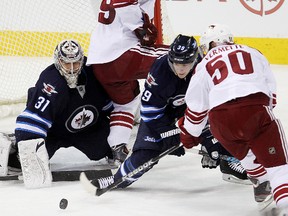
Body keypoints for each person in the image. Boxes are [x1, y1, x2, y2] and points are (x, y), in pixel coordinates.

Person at [87, 34, 244, 190]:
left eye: (186, 63)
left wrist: (209, 137)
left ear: (195, 59)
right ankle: (117, 179)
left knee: (223, 128)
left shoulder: (204, 68)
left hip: (193, 109)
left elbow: (212, 105)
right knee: (146, 153)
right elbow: (149, 111)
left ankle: (235, 163)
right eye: (176, 63)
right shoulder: (160, 70)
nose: (181, 68)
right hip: (161, 114)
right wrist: (168, 135)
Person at [177, 24, 288, 212]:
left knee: (247, 153)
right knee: (278, 167)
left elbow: (196, 109)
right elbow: (271, 94)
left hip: (221, 121)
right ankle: (285, 205)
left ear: (206, 47)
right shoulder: (253, 51)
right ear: (230, 40)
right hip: (255, 108)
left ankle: (261, 184)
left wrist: (189, 135)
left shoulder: (203, 65)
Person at [0, 39, 115, 188]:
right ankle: (14, 144)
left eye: (76, 63)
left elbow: (108, 104)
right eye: (67, 64)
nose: (72, 69)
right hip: (53, 132)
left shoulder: (94, 73)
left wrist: (118, 135)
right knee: (20, 162)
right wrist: (27, 144)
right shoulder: (51, 82)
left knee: (100, 151)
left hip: (87, 130)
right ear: (58, 62)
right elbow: (34, 118)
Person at [86, 0, 169, 165]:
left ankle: (117, 148)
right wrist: (140, 28)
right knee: (180, 57)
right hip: (122, 56)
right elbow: (122, 2)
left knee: (126, 104)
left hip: (100, 63)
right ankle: (201, 111)